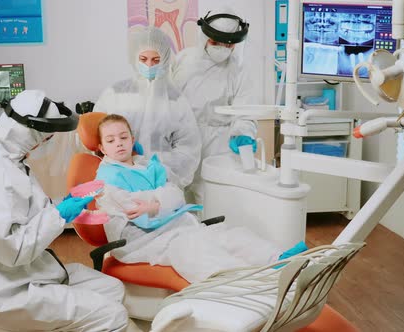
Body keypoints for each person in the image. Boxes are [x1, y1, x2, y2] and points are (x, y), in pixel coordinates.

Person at [0, 90, 128, 331]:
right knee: (114, 317)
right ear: (27, 133)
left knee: (113, 289)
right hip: (8, 290)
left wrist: (66, 206)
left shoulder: (12, 161)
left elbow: (27, 213)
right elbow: (12, 251)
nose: (45, 143)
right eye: (45, 138)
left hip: (32, 271)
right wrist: (60, 214)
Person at [93, 114, 306, 283]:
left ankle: (281, 260)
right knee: (191, 249)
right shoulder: (106, 177)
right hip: (142, 240)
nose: (119, 143)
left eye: (123, 137)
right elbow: (135, 210)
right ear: (102, 148)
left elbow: (176, 192)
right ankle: (247, 283)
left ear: (132, 139)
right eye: (111, 140)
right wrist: (160, 201)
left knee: (225, 235)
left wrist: (155, 204)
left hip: (173, 226)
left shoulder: (148, 165)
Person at [93, 26, 201, 189]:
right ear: (134, 57)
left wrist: (162, 174)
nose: (149, 65)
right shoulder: (115, 93)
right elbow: (97, 138)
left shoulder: (176, 100)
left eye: (156, 60)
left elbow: (188, 148)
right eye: (143, 59)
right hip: (121, 179)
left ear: (165, 59)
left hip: (161, 182)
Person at [173, 7, 259, 204]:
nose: (222, 49)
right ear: (204, 37)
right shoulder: (183, 61)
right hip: (182, 140)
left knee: (215, 201)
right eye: (216, 42)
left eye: (228, 45)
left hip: (219, 143)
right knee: (178, 198)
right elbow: (166, 101)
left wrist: (243, 133)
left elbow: (244, 111)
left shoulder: (239, 70)